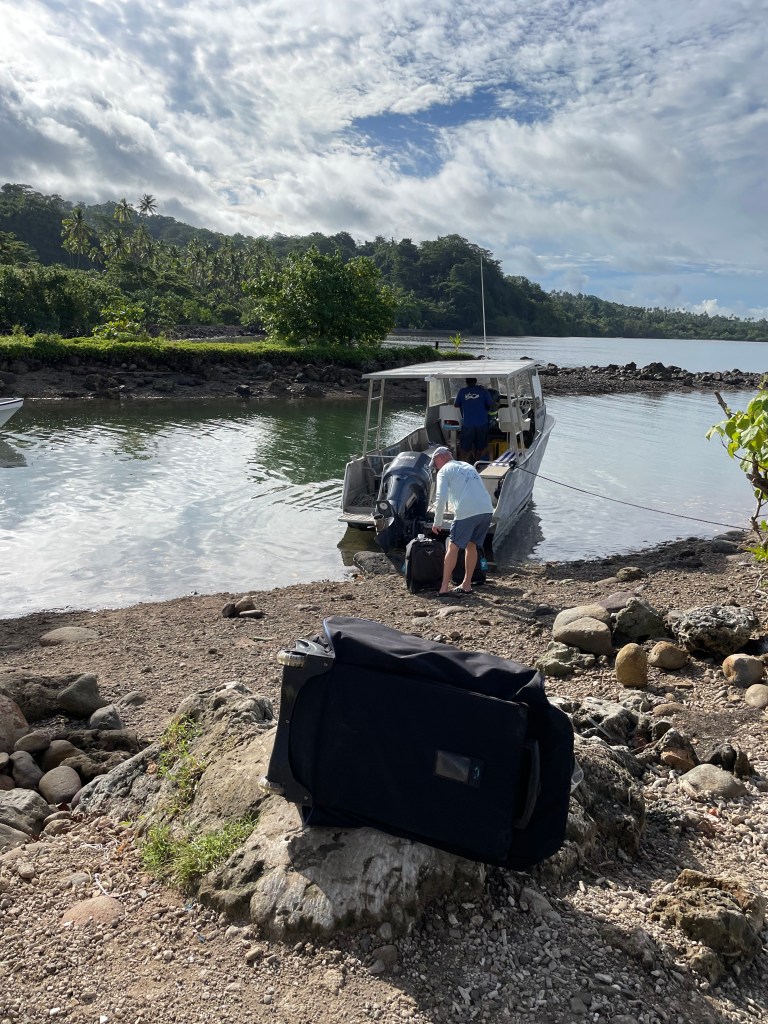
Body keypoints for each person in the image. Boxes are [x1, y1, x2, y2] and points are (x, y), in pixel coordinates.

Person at [429, 447, 493, 597]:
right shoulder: (468, 466)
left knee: (453, 547)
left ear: (441, 458)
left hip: (467, 512)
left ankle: (444, 587)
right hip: (487, 509)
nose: (436, 467)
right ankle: (466, 584)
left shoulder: (444, 471)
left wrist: (437, 522)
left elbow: (441, 498)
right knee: (472, 546)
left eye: (435, 463)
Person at [454, 378, 493, 463]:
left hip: (468, 423)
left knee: (464, 446)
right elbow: (490, 404)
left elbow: (456, 404)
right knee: (480, 446)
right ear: (476, 382)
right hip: (482, 422)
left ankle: (462, 462)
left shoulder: (462, 392)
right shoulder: (483, 391)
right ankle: (476, 462)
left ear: (466, 382)